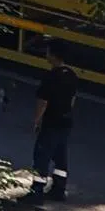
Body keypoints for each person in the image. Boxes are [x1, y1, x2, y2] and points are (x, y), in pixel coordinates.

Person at [32, 64, 79, 201]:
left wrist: (37, 120)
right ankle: (59, 188)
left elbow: (43, 101)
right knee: (60, 156)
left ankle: (37, 191)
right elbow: (72, 99)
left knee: (42, 156)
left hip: (51, 121)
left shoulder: (51, 76)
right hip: (65, 121)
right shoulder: (72, 75)